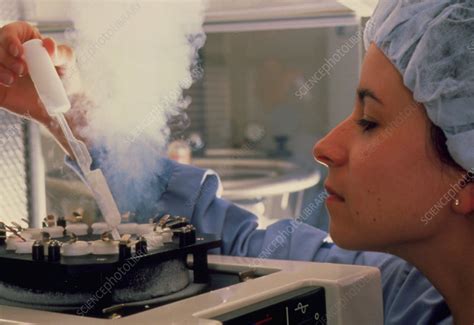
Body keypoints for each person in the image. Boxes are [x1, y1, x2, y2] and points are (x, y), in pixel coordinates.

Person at [1, 0, 471, 321]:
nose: (324, 147)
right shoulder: (398, 293)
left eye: (369, 120)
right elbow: (229, 240)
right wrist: (69, 115)